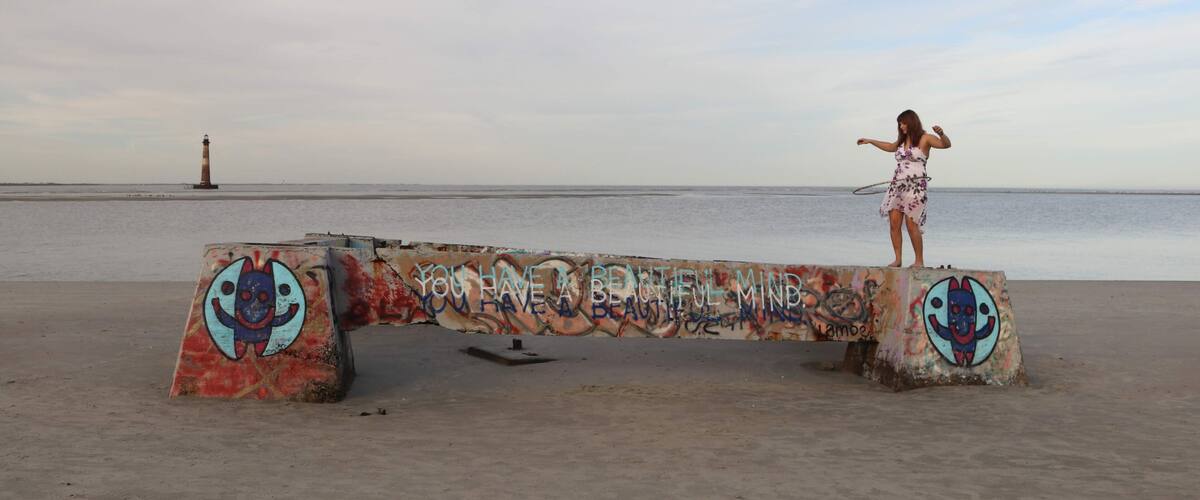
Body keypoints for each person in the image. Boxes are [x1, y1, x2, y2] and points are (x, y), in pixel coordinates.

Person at [857, 109, 951, 268]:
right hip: (897, 186)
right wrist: (870, 141)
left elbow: (946, 145)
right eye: (899, 124)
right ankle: (898, 259)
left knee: (911, 223)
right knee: (894, 223)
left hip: (915, 187)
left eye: (903, 123)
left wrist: (942, 133)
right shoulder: (901, 141)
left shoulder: (925, 138)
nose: (901, 126)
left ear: (911, 122)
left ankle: (919, 261)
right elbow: (890, 146)